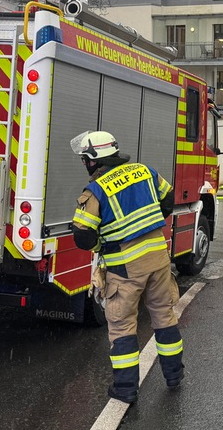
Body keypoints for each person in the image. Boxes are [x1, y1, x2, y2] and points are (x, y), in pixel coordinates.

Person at [69, 130, 183, 404]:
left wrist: (103, 243)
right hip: (158, 260)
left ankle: (125, 389)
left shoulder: (95, 190)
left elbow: (82, 235)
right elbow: (168, 200)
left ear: (94, 160)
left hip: (124, 270)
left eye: (86, 159)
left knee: (122, 327)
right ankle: (174, 376)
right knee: (164, 317)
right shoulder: (145, 171)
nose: (85, 165)